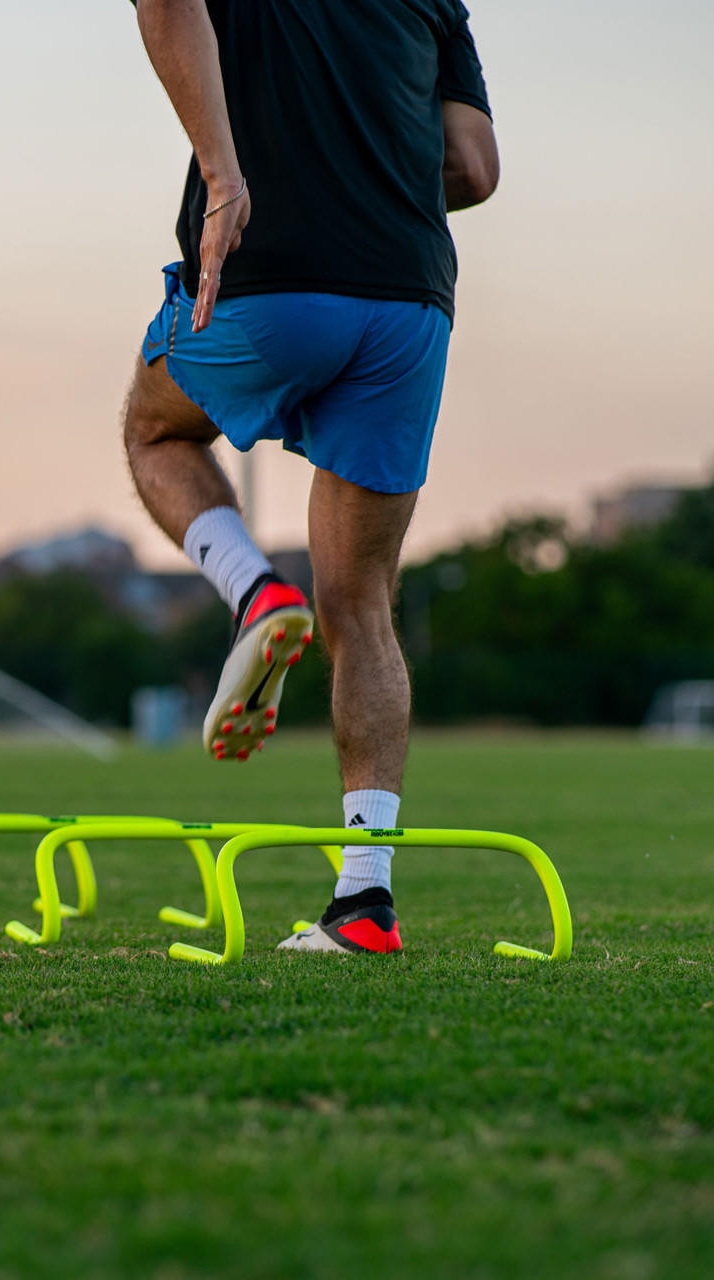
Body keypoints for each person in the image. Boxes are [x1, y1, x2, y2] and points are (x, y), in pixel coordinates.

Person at [123, 0, 499, 953]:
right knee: (362, 602)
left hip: (271, 271)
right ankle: (364, 901)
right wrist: (368, 178)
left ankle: (254, 593)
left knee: (157, 434)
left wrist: (225, 174)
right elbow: (475, 167)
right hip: (409, 299)